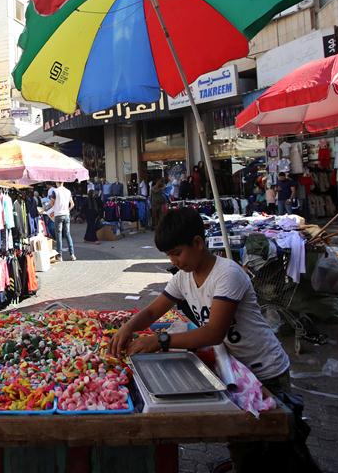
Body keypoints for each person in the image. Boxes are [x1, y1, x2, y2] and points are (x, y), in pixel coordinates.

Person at [110, 208, 296, 471]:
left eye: (177, 253)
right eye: (169, 256)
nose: (174, 261)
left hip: (265, 371)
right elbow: (153, 310)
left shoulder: (227, 274)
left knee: (277, 451)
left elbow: (213, 333)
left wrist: (159, 341)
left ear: (198, 243)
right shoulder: (183, 277)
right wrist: (127, 328)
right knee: (244, 442)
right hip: (234, 370)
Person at [49, 181, 76, 261]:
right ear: (63, 182)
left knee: (58, 235)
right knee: (68, 234)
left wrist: (48, 208)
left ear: (57, 183)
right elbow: (72, 204)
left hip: (58, 215)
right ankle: (72, 254)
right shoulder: (68, 191)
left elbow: (51, 203)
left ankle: (60, 256)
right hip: (66, 214)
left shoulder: (55, 191)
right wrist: (68, 209)